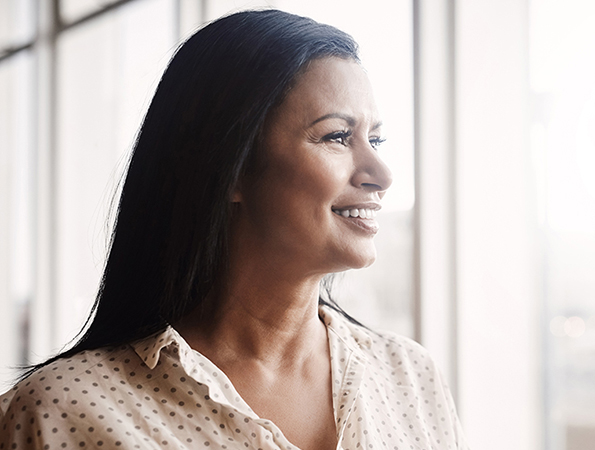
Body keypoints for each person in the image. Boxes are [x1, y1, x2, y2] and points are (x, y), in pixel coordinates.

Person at [0, 9, 466, 450]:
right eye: (336, 137)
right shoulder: (62, 410)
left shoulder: (409, 375)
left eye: (376, 139)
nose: (380, 173)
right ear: (233, 168)